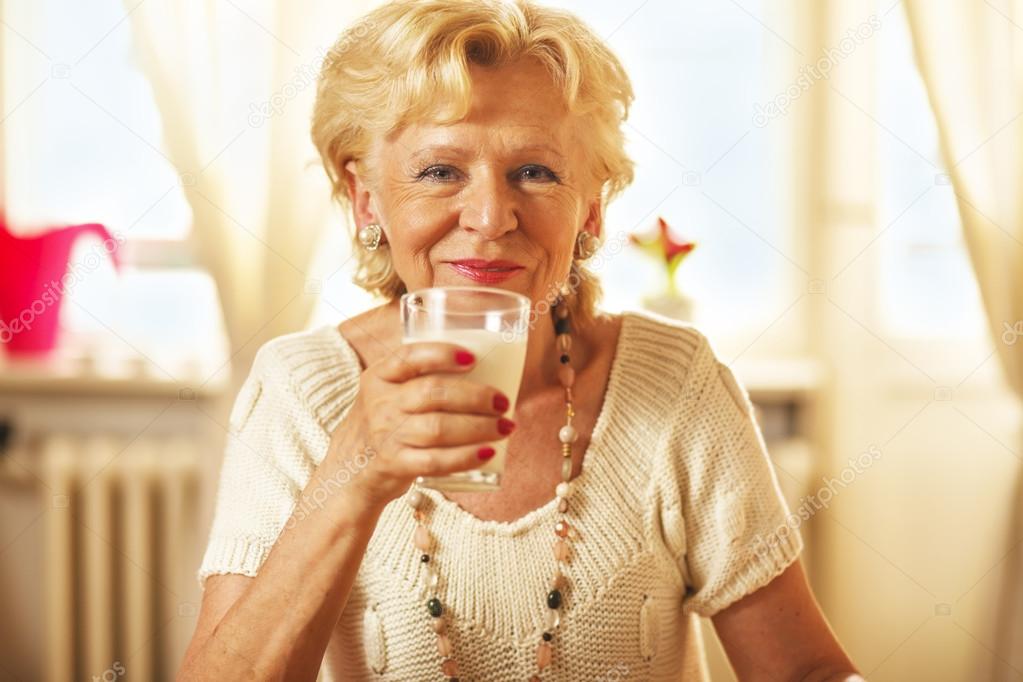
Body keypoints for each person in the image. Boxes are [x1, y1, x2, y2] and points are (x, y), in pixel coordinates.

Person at [178, 1, 863, 679]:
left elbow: (805, 673)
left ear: (589, 205)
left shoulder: (676, 381)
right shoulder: (300, 390)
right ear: (366, 200)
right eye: (439, 172)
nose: (489, 217)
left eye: (534, 172)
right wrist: (351, 476)